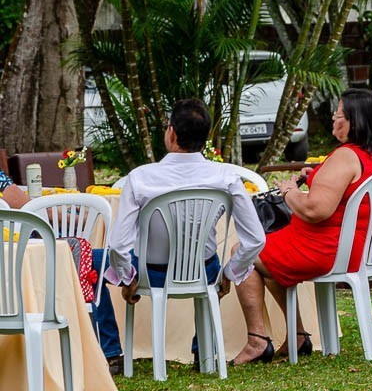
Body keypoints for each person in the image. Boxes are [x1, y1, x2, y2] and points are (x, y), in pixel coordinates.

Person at [231, 88, 372, 360]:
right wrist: (316, 175)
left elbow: (315, 209)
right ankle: (297, 335)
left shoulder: (346, 156)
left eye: (339, 114)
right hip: (355, 247)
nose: (333, 118)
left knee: (244, 251)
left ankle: (257, 340)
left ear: (356, 121)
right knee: (268, 258)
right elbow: (344, 190)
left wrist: (287, 191)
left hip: (326, 249)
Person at [105, 99, 266, 364]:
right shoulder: (226, 176)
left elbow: (119, 245)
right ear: (205, 138)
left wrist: (127, 276)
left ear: (172, 133)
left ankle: (110, 354)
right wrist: (230, 272)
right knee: (210, 258)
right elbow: (256, 239)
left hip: (150, 274)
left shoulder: (140, 177)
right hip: (205, 272)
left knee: (93, 260)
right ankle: (202, 350)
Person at [1, 169, 124, 374]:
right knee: (92, 263)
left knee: (88, 266)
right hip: (24, 258)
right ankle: (128, 265)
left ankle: (110, 351)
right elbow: (27, 206)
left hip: (21, 256)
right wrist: (72, 217)